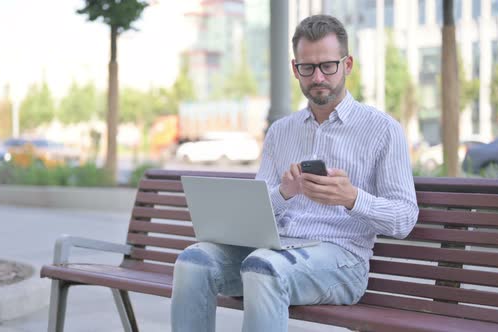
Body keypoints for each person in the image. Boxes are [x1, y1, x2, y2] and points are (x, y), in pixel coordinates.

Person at [171, 14, 419, 332]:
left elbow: (404, 218)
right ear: (295, 69)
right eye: (308, 68)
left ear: (347, 65)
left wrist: (352, 198)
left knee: (264, 268)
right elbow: (255, 214)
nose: (318, 77)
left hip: (343, 260)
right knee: (194, 262)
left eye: (328, 65)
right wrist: (283, 193)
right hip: (277, 249)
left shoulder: (383, 130)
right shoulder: (281, 132)